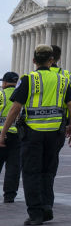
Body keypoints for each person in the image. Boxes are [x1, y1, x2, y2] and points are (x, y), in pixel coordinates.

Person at [0, 44, 71, 226]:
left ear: (34, 60)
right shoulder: (63, 79)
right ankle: (47, 206)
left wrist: (3, 132)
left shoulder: (29, 79)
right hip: (55, 134)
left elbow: (15, 108)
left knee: (30, 172)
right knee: (48, 171)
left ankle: (36, 213)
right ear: (52, 60)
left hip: (32, 133)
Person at [0, 72, 22, 204]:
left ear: (5, 83)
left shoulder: (1, 95)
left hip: (1, 134)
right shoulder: (22, 95)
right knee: (14, 167)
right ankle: (9, 195)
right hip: (17, 136)